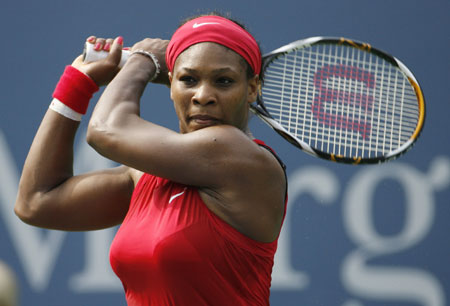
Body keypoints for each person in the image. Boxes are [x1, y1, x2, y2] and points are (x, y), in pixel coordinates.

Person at [15, 13, 287, 305]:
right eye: (189, 80)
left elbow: (105, 130)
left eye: (223, 81)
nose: (203, 95)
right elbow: (36, 202)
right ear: (170, 84)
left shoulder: (242, 157)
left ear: (252, 88)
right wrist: (78, 81)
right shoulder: (144, 175)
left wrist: (142, 60)